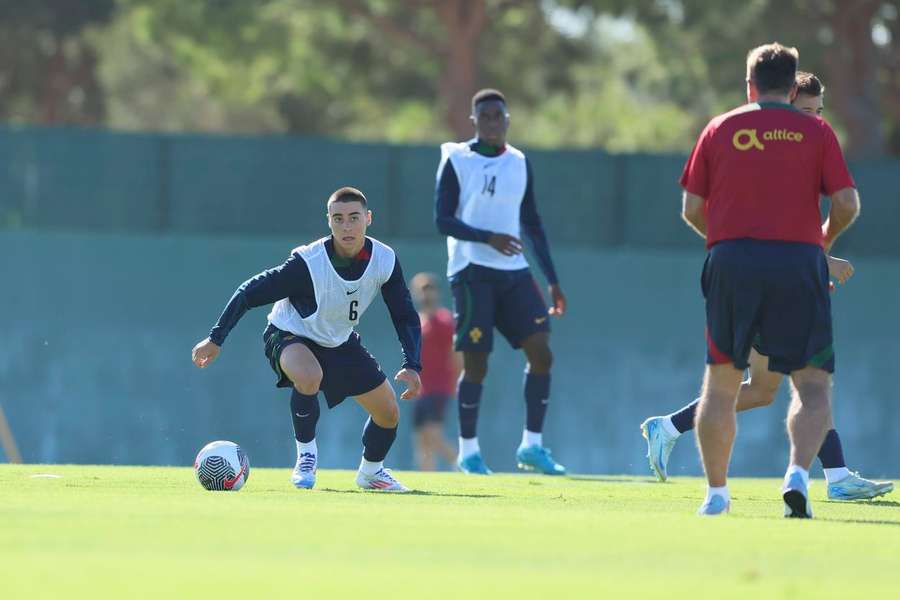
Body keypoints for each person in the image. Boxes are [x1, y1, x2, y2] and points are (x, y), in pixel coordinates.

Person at [641, 71, 893, 502]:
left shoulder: (806, 148)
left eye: (818, 112)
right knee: (805, 382)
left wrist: (817, 258)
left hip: (786, 275)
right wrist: (822, 259)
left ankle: (667, 428)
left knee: (766, 390)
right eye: (805, 111)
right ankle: (835, 477)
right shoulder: (766, 146)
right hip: (765, 279)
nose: (812, 120)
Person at [675, 44, 860, 517]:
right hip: (799, 263)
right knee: (813, 386)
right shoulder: (816, 130)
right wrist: (822, 240)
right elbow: (847, 204)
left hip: (732, 260)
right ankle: (798, 475)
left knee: (721, 385)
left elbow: (692, 209)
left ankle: (716, 495)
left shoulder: (720, 127)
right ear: (791, 81)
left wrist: (723, 241)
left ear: (749, 83)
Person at [191, 187, 422, 492]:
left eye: (354, 218)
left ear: (368, 218)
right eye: (338, 219)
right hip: (289, 334)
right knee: (310, 375)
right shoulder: (308, 262)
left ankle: (371, 472)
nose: (346, 226)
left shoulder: (384, 259)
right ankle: (306, 458)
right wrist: (215, 338)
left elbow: (404, 314)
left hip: (339, 340)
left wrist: (412, 364)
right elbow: (249, 291)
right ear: (329, 221)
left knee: (388, 412)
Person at [435, 88, 567, 476]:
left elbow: (532, 222)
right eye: (485, 116)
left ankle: (532, 446)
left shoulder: (520, 163)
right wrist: (486, 237)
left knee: (541, 353)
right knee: (477, 364)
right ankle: (469, 451)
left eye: (499, 115)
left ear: (508, 120)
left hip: (514, 273)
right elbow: (442, 219)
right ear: (474, 121)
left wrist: (553, 279)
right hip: (472, 271)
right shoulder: (457, 159)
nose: (493, 122)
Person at [410, 272, 460, 471]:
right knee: (422, 440)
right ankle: (427, 481)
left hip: (439, 388)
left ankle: (463, 466)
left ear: (437, 293)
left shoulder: (445, 320)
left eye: (430, 289)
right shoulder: (417, 321)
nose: (426, 294)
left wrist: (456, 383)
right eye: (422, 289)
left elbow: (456, 354)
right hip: (420, 389)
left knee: (434, 435)